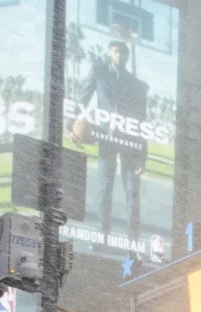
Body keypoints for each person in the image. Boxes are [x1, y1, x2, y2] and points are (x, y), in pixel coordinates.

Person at [74, 40, 149, 243]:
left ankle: (134, 241)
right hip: (106, 137)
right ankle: (102, 236)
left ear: (127, 55)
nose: (120, 56)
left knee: (132, 192)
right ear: (110, 52)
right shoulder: (100, 72)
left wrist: (143, 155)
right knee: (104, 188)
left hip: (129, 140)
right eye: (116, 51)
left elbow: (142, 120)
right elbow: (82, 98)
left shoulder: (135, 84)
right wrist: (72, 126)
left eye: (123, 52)